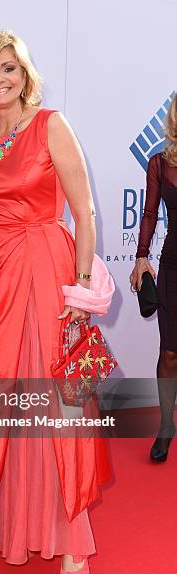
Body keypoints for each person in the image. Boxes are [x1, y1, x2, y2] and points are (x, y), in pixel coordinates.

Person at [0, 31, 113, 574]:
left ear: (24, 73)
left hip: (48, 271)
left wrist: (79, 294)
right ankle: (21, 524)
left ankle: (74, 538)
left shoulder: (51, 123)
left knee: (58, 403)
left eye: (8, 68)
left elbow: (84, 209)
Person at [130, 92, 177, 462]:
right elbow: (148, 214)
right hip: (174, 267)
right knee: (171, 352)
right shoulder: (160, 162)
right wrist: (141, 257)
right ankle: (165, 425)